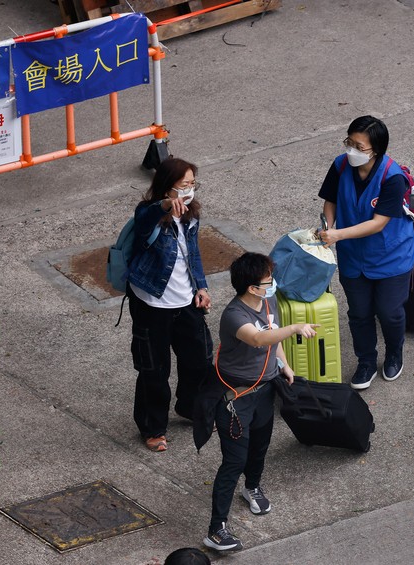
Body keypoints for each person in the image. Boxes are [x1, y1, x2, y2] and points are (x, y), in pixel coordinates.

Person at [194, 252, 318, 551]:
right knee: (234, 460)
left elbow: (272, 339)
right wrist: (296, 328)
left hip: (265, 389)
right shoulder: (235, 315)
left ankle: (252, 488)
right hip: (235, 398)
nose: (273, 284)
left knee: (260, 444)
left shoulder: (268, 302)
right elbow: (259, 339)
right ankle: (216, 529)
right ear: (252, 287)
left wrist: (284, 366)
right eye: (268, 280)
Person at [318, 115, 414, 390]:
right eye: (350, 142)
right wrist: (327, 225)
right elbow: (331, 200)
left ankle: (394, 353)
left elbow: (378, 223)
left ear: (376, 150)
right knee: (359, 312)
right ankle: (366, 362)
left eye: (359, 147)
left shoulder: (393, 177)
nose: (351, 151)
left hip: (391, 256)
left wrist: (337, 235)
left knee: (389, 311)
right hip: (353, 255)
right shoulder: (340, 166)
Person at [127, 157, 213, 452]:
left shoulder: (192, 214)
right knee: (154, 369)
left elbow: (194, 254)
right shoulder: (149, 213)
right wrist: (164, 206)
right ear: (166, 188)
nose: (189, 191)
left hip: (186, 300)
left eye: (192, 184)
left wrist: (201, 286)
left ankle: (188, 406)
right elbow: (145, 219)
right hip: (152, 302)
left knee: (199, 359)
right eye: (183, 185)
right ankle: (153, 427)